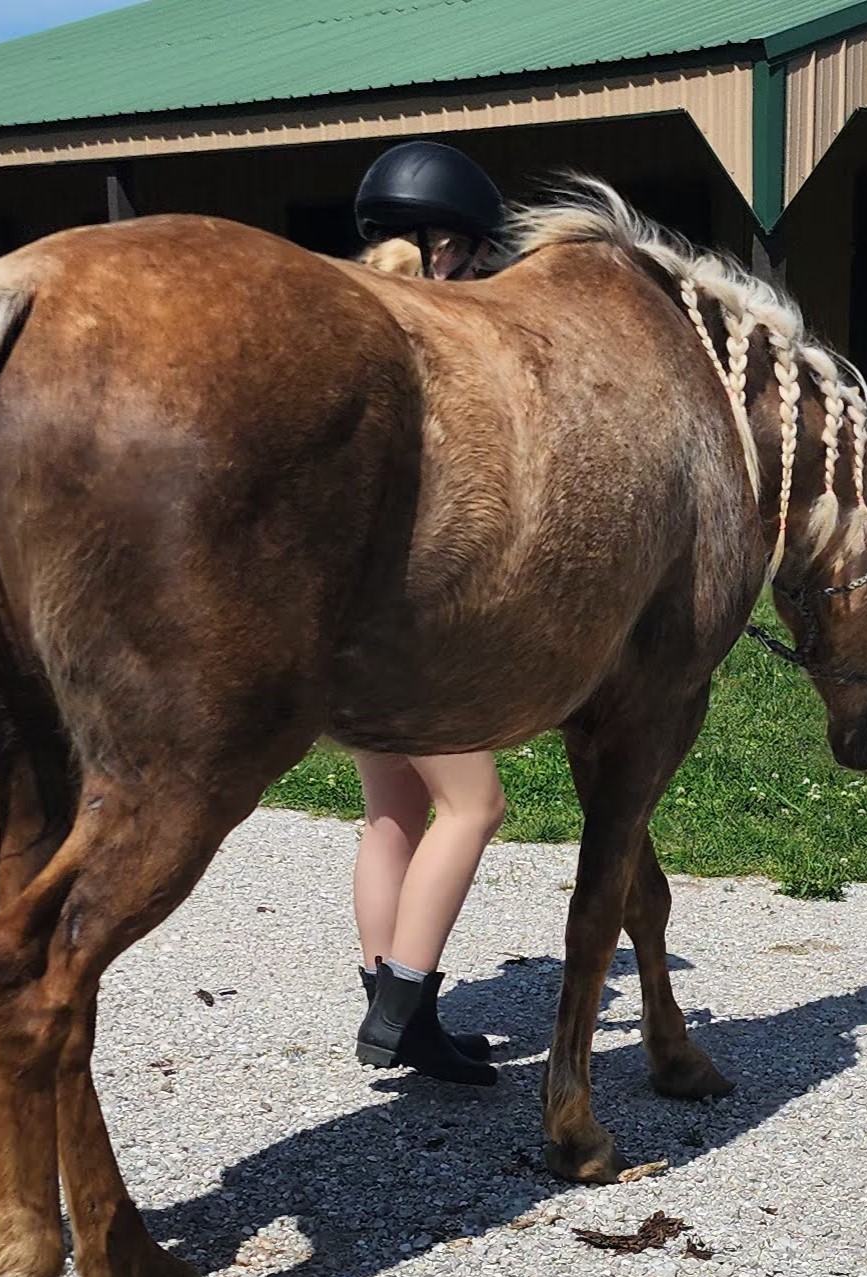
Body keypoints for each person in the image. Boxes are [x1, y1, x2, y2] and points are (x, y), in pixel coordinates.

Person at [348, 141, 508, 1089]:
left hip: (350, 629)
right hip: (414, 623)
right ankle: (402, 1012)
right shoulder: (442, 351)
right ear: (450, 248)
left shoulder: (359, 333)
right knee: (473, 803)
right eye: (477, 256)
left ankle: (392, 1003)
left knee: (389, 815)